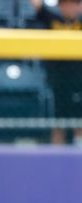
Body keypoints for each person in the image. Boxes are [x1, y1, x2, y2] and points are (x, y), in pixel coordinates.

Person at [32, 0, 82, 145]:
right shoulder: (52, 19)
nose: (69, 7)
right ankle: (57, 153)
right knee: (58, 120)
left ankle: (79, 152)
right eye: (65, 4)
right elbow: (37, 5)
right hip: (58, 78)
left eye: (73, 4)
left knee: (79, 119)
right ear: (59, 6)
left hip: (79, 78)